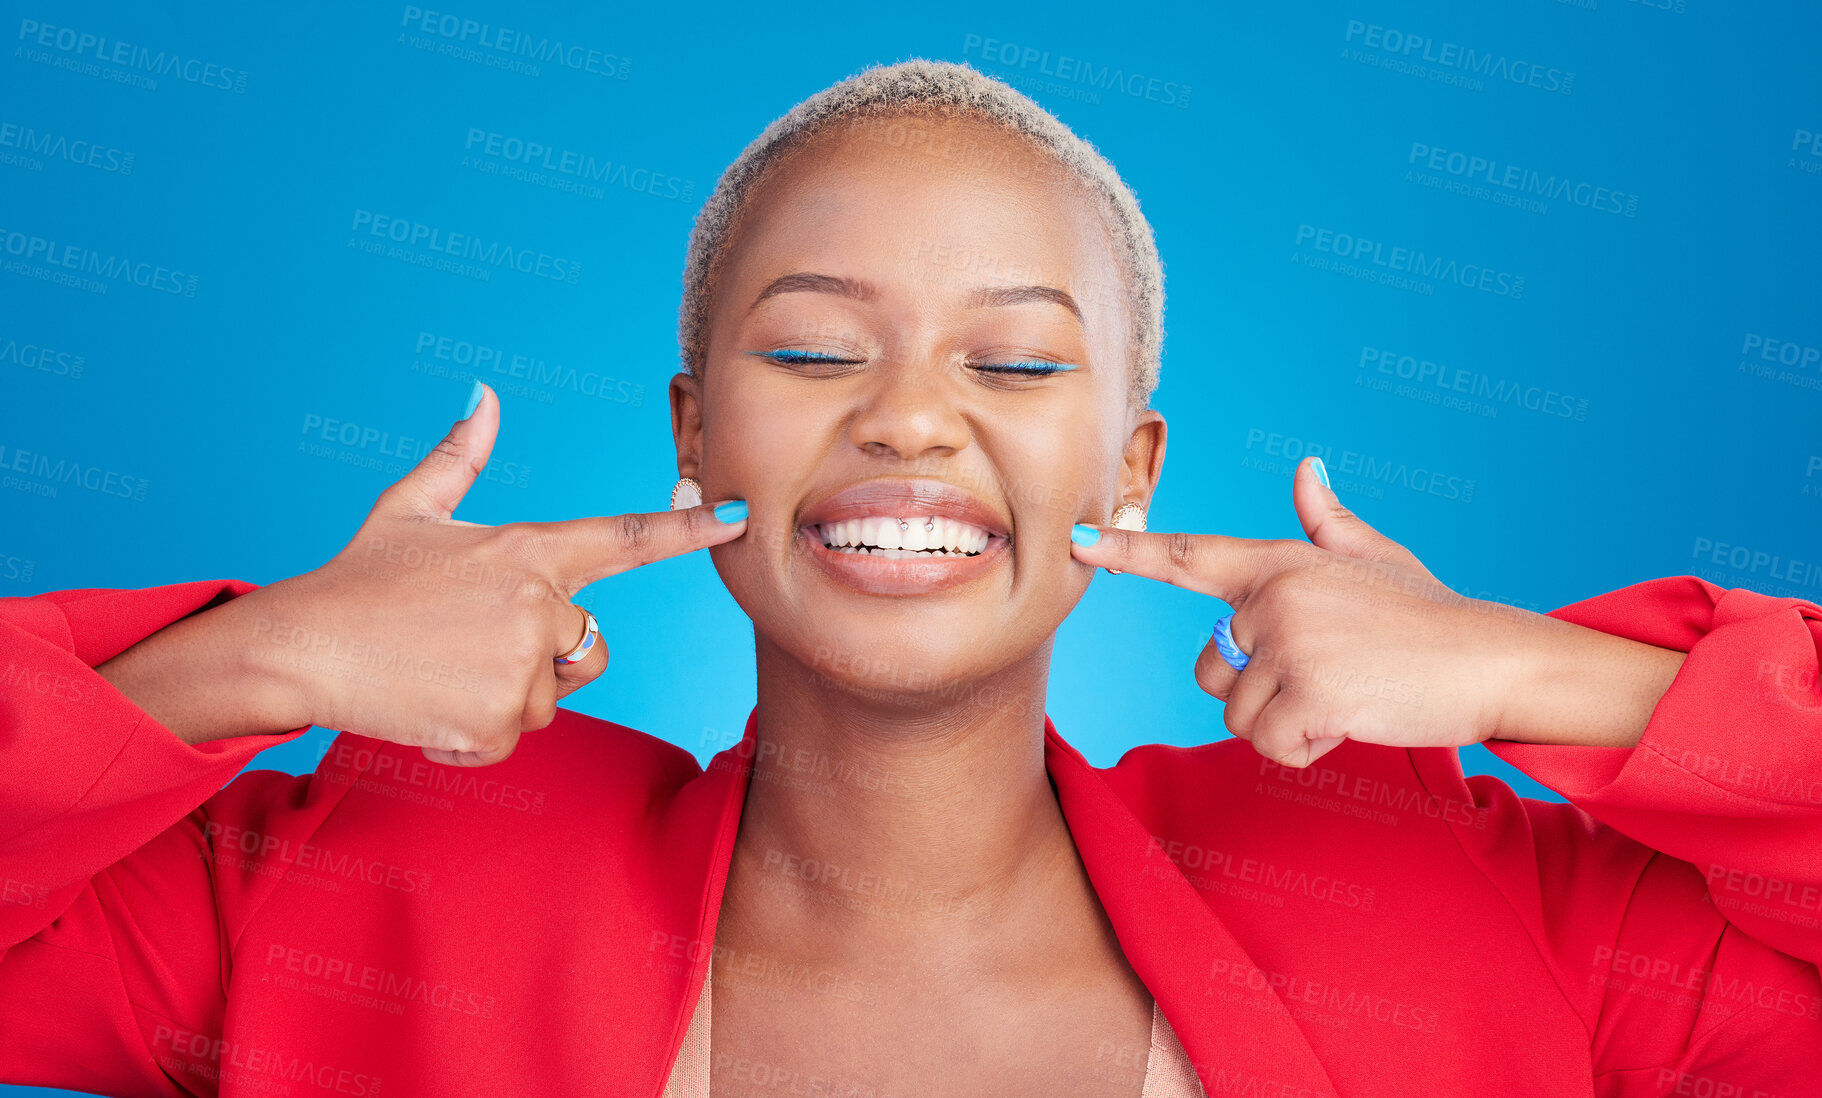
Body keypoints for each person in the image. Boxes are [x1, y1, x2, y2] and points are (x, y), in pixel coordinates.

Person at [3, 59, 1818, 1098]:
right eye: (809, 355)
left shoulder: (1425, 884)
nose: (910, 422)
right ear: (693, 432)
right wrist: (263, 662)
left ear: (1132, 467)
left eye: (1016, 365)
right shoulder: (380, 866)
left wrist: (1539, 681)